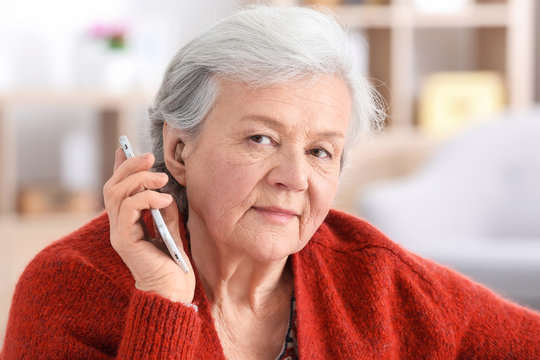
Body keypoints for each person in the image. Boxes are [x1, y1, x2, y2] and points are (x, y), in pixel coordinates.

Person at [1, 5, 540, 360]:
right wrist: (163, 301)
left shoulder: (374, 277)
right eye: (260, 139)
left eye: (320, 151)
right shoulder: (68, 287)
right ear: (178, 150)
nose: (294, 178)